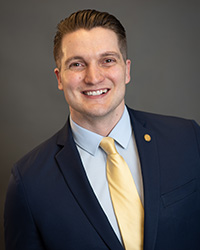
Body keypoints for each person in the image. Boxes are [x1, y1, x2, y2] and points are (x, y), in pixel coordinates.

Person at [4, 9, 200, 250]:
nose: (93, 77)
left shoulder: (187, 138)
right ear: (59, 78)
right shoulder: (28, 182)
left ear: (126, 70)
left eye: (107, 60)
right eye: (77, 64)